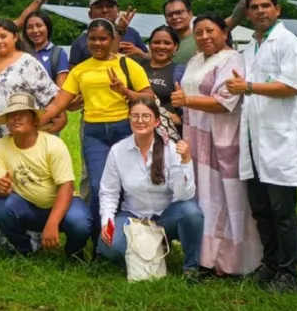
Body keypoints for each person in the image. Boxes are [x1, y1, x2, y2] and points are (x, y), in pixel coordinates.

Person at [38, 18, 154, 251]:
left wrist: (124, 90)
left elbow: (149, 97)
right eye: (93, 39)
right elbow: (60, 102)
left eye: (103, 38)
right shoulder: (80, 70)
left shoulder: (128, 65)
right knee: (100, 186)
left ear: (112, 40)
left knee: (128, 184)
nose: (98, 43)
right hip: (94, 132)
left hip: (124, 129)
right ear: (86, 40)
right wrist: (34, 122)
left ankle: (130, 239)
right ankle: (99, 243)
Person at [227, 0, 297, 293]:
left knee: (282, 211)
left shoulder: (290, 44)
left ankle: (289, 273)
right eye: (255, 7)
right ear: (247, 13)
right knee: (261, 209)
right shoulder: (250, 48)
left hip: (280, 140)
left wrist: (248, 86)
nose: (261, 11)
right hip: (253, 140)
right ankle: (271, 264)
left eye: (266, 6)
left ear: (278, 9)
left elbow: (291, 85)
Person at [170, 14, 262, 277]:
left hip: (220, 138)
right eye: (198, 33)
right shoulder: (196, 59)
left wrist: (186, 101)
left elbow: (224, 102)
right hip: (195, 136)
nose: (204, 37)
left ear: (224, 32)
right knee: (202, 196)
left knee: (225, 197)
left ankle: (230, 261)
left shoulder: (232, 59)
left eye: (210, 31)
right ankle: (203, 257)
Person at [0, 19, 62, 252]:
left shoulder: (28, 63)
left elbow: (53, 97)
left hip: (17, 137)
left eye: (4, 36)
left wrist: (38, 123)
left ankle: (24, 242)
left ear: (15, 37)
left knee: (19, 182)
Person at [98, 98, 204, 278]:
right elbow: (109, 192)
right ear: (129, 119)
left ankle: (191, 268)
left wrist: (186, 161)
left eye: (146, 116)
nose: (140, 121)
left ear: (156, 121)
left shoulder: (170, 149)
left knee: (192, 212)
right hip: (133, 216)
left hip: (164, 216)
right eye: (135, 116)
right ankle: (153, 247)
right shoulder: (118, 150)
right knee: (110, 247)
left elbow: (184, 194)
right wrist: (106, 222)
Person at [0, 92, 91, 258]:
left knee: (80, 222)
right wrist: (1, 188)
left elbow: (67, 186)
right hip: (28, 206)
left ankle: (74, 253)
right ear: (7, 123)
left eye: (22, 114)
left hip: (62, 203)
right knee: (1, 207)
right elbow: (0, 188)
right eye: (12, 115)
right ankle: (23, 250)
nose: (16, 118)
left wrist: (52, 223)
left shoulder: (53, 144)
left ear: (35, 121)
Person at [163, 0, 258, 65]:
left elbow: (235, 18)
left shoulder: (204, 36)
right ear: (166, 19)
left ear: (190, 14)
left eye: (179, 12)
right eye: (170, 14)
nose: (175, 17)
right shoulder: (163, 44)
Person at [68, 0, 148, 66]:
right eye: (99, 7)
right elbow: (73, 72)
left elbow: (153, 59)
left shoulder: (132, 33)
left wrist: (141, 54)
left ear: (118, 11)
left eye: (110, 6)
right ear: (90, 14)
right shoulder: (80, 43)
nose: (105, 10)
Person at [141, 26, 187, 138]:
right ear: (150, 45)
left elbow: (187, 114)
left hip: (167, 136)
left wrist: (158, 117)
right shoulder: (138, 68)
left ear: (175, 47)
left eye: (167, 43)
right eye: (156, 42)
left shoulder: (182, 72)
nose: (161, 46)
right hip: (138, 132)